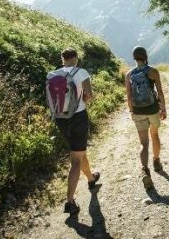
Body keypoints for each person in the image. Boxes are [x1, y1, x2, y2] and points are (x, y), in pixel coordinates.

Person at [48, 48, 100, 214]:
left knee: (78, 151)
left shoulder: (53, 74)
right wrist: (81, 102)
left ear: (62, 59)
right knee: (76, 159)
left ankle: (91, 179)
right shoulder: (81, 72)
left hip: (60, 119)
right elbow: (89, 95)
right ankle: (69, 201)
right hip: (78, 117)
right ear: (75, 58)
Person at [125, 46, 166, 189]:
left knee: (143, 143)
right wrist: (163, 108)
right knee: (154, 135)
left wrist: (131, 111)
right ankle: (156, 161)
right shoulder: (153, 71)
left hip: (137, 111)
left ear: (134, 57)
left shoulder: (129, 75)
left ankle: (145, 171)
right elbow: (159, 91)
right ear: (145, 56)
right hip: (153, 109)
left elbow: (129, 97)